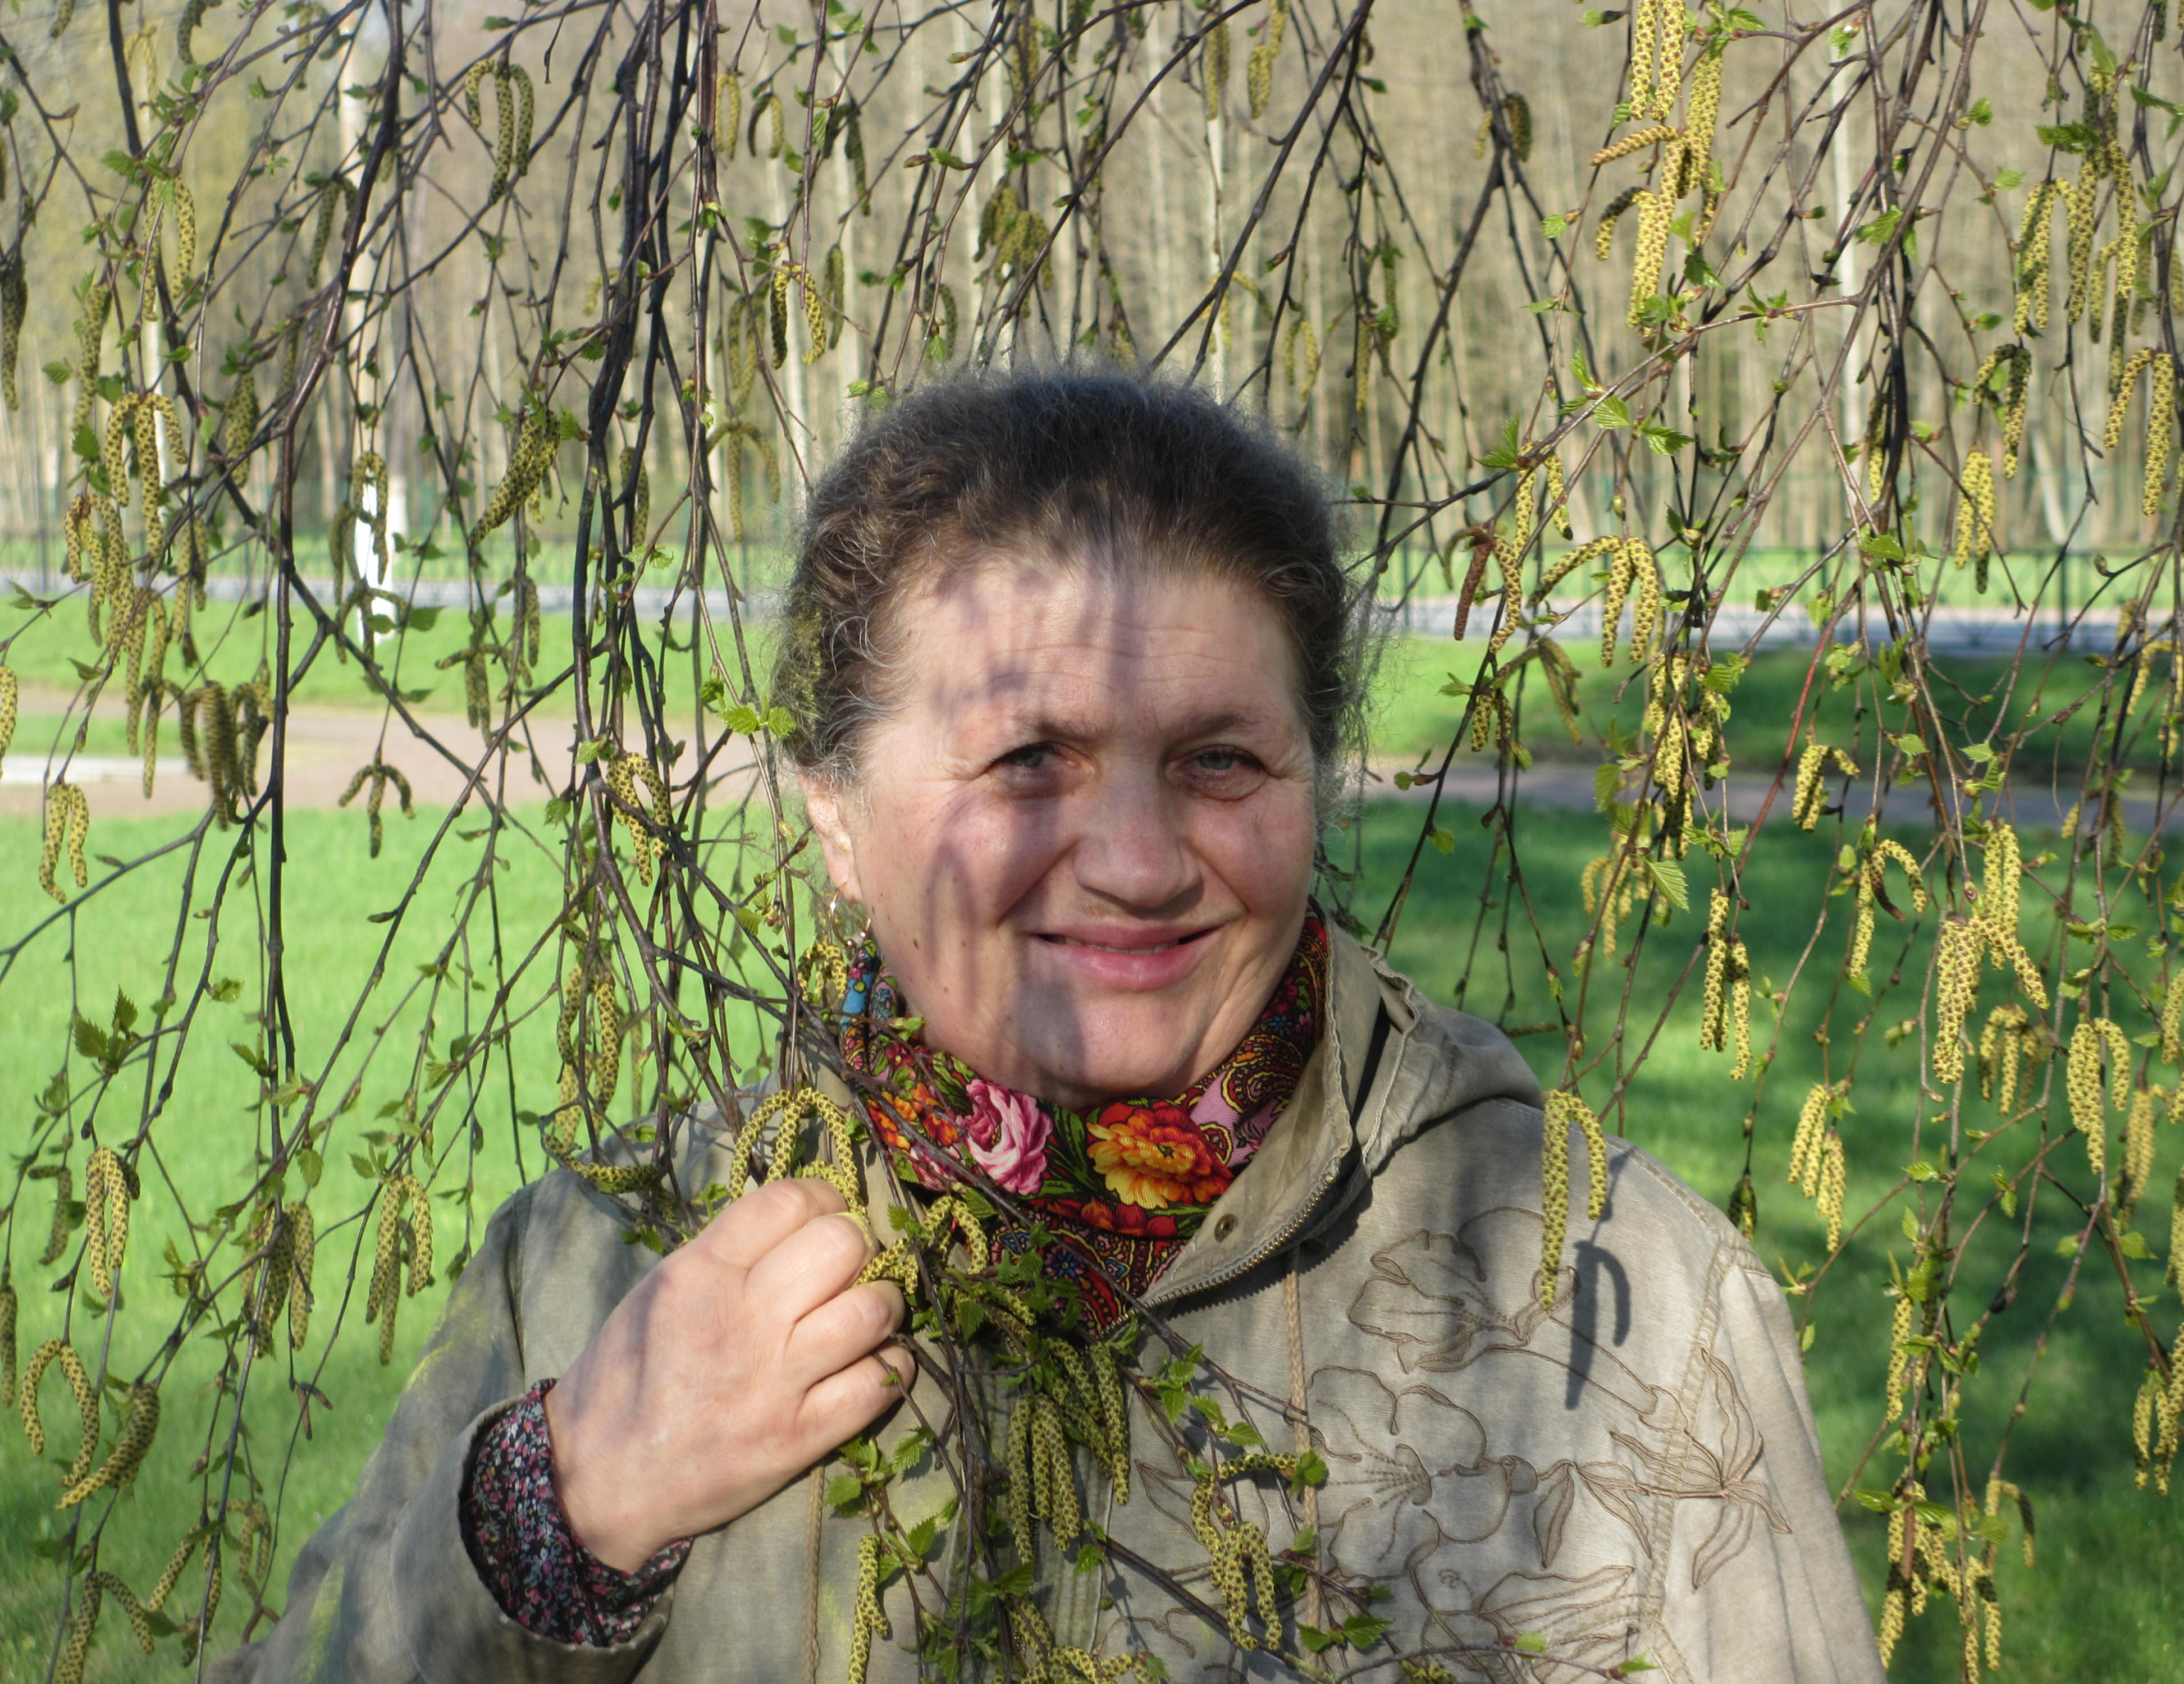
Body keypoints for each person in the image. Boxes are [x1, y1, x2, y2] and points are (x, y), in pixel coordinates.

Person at [214, 369, 1884, 1683]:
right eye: (1030, 762)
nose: (1140, 863)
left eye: (1220, 760)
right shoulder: (612, 1273)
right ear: (836, 820)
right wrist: (562, 1515)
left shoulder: (1617, 1301)